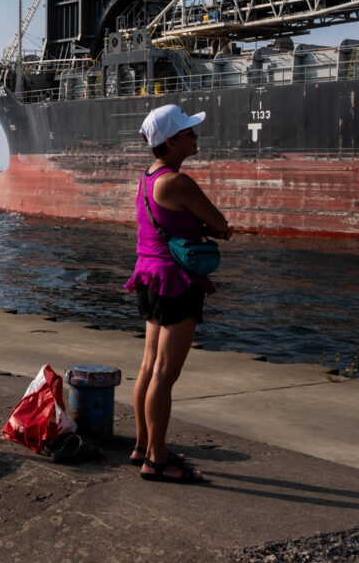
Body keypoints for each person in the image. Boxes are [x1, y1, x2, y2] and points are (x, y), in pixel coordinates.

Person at [125, 105, 232, 483]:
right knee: (166, 374)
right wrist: (212, 228)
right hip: (177, 282)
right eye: (189, 132)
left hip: (149, 279)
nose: (195, 136)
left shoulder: (146, 178)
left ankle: (142, 445)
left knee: (148, 367)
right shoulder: (177, 182)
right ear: (171, 142)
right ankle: (156, 460)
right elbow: (221, 224)